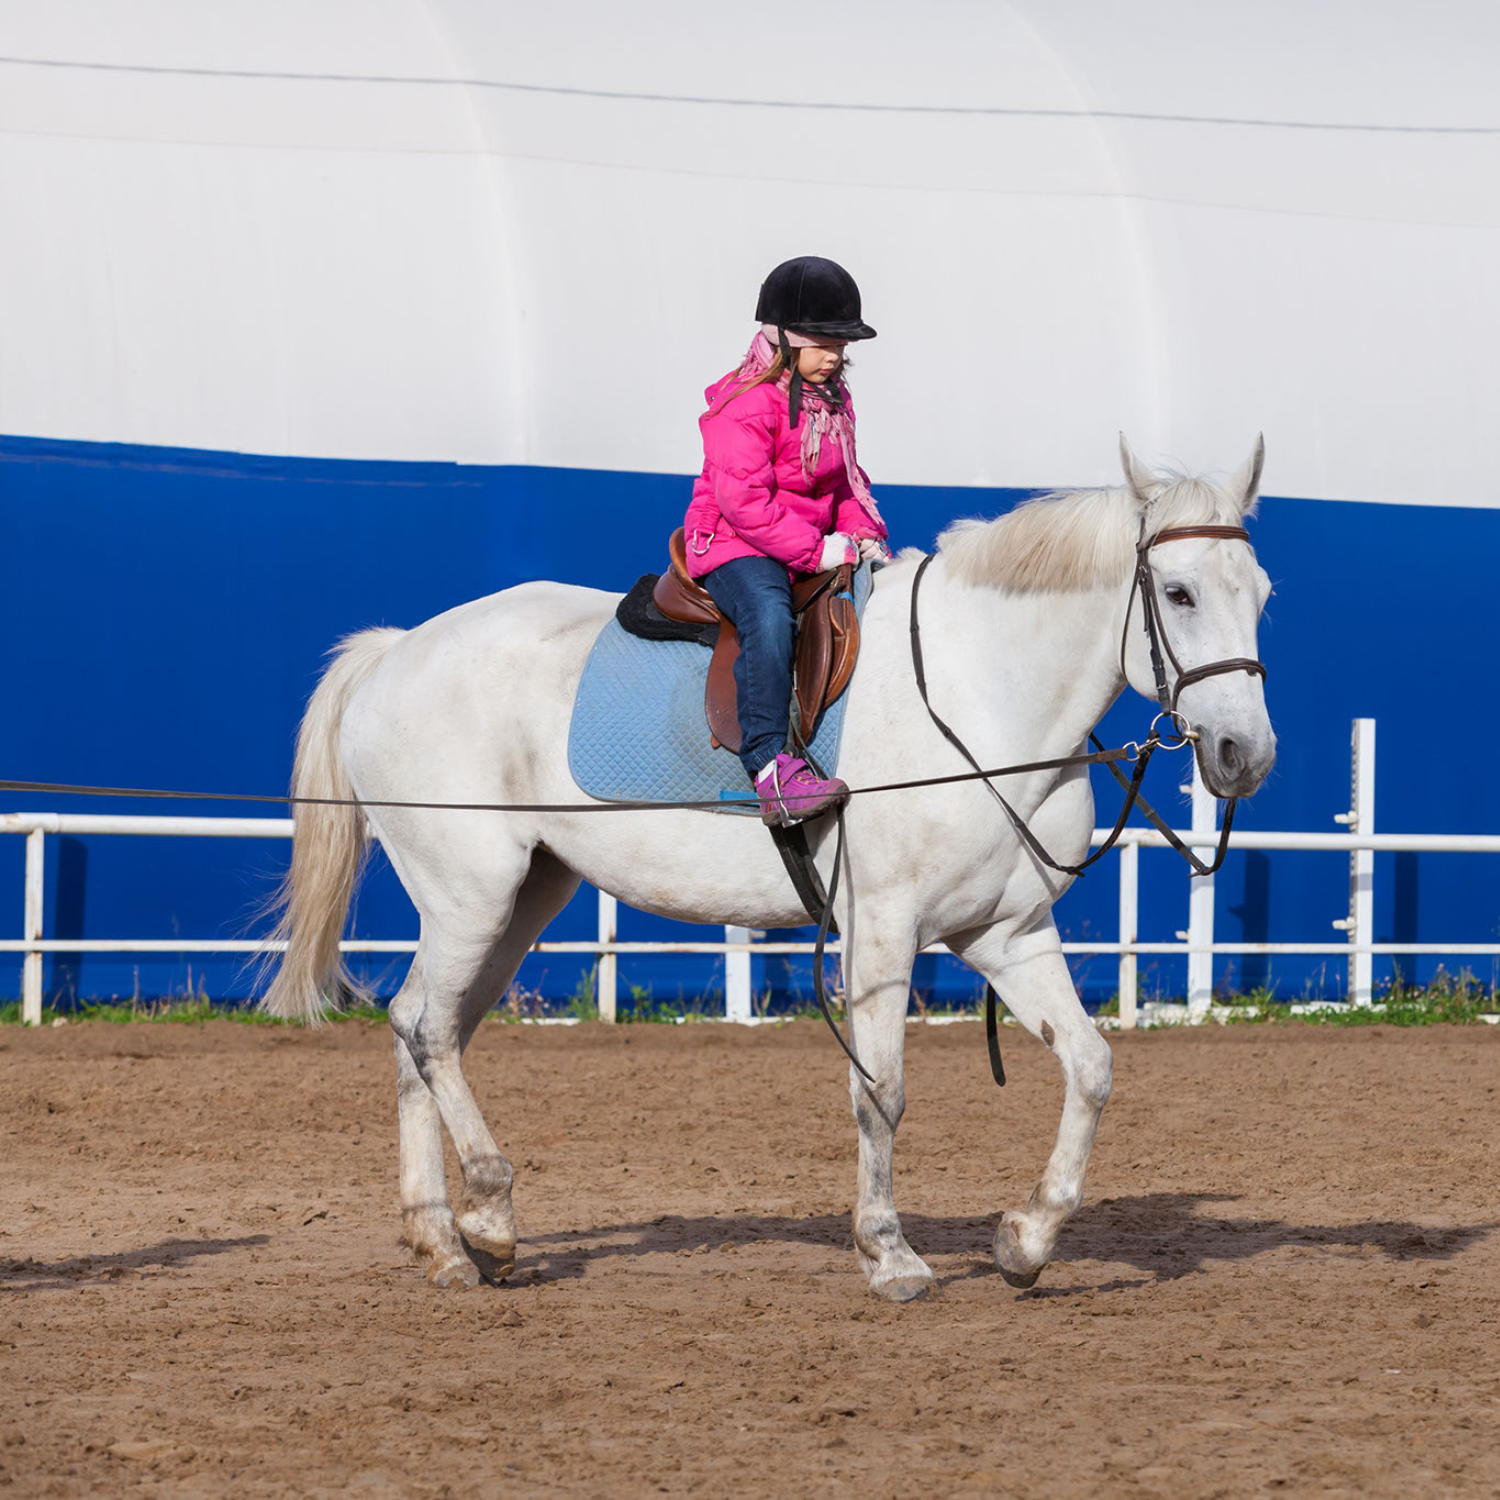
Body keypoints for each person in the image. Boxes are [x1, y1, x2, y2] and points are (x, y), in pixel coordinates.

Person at [684, 255, 891, 826]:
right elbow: (743, 503)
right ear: (784, 340)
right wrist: (816, 550)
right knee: (771, 616)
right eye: (824, 342)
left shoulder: (832, 401)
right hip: (734, 543)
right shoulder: (746, 402)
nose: (836, 356)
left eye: (842, 345)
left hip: (803, 538)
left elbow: (845, 480)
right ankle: (771, 769)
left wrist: (861, 532)